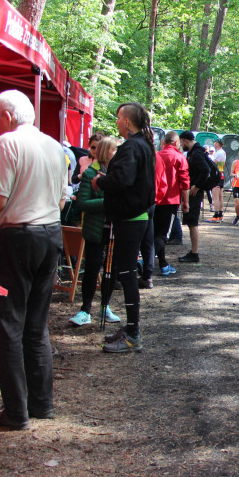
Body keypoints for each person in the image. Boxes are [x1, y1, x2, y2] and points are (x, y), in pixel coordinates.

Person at [0, 89, 69, 430]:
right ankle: (41, 404)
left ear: (7, 117)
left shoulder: (7, 142)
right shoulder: (54, 146)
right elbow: (62, 200)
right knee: (36, 326)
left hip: (19, 238)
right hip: (50, 234)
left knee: (8, 327)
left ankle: (16, 412)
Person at [95, 102, 156, 353]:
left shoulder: (133, 146)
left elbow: (123, 179)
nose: (117, 122)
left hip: (131, 218)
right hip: (133, 216)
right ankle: (131, 329)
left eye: (119, 118)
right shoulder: (143, 144)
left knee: (128, 274)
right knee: (126, 273)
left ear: (128, 122)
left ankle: (133, 334)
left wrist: (101, 182)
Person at [68, 136, 123, 327]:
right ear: (107, 152)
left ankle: (105, 306)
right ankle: (85, 309)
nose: (117, 153)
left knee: (112, 269)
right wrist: (108, 203)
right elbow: (82, 202)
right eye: (114, 150)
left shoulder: (119, 174)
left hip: (115, 230)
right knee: (92, 267)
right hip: (95, 229)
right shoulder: (90, 173)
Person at [152, 131, 190, 276]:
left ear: (164, 142)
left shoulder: (157, 155)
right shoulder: (179, 157)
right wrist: (186, 202)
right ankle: (146, 262)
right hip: (170, 200)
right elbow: (184, 182)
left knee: (156, 232)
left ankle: (162, 263)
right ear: (176, 143)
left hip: (155, 199)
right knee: (163, 234)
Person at [178, 133, 209, 264]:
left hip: (194, 193)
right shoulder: (195, 152)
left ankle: (194, 253)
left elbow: (205, 170)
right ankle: (193, 252)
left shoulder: (196, 153)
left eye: (181, 142)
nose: (180, 145)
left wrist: (197, 185)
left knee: (193, 222)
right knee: (191, 223)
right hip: (192, 191)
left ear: (185, 141)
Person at [208, 139, 227, 222]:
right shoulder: (222, 152)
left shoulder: (219, 153)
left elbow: (213, 164)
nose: (214, 144)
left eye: (215, 143)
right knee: (220, 196)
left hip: (216, 175)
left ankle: (216, 215)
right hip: (221, 174)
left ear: (218, 144)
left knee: (215, 196)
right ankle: (220, 214)